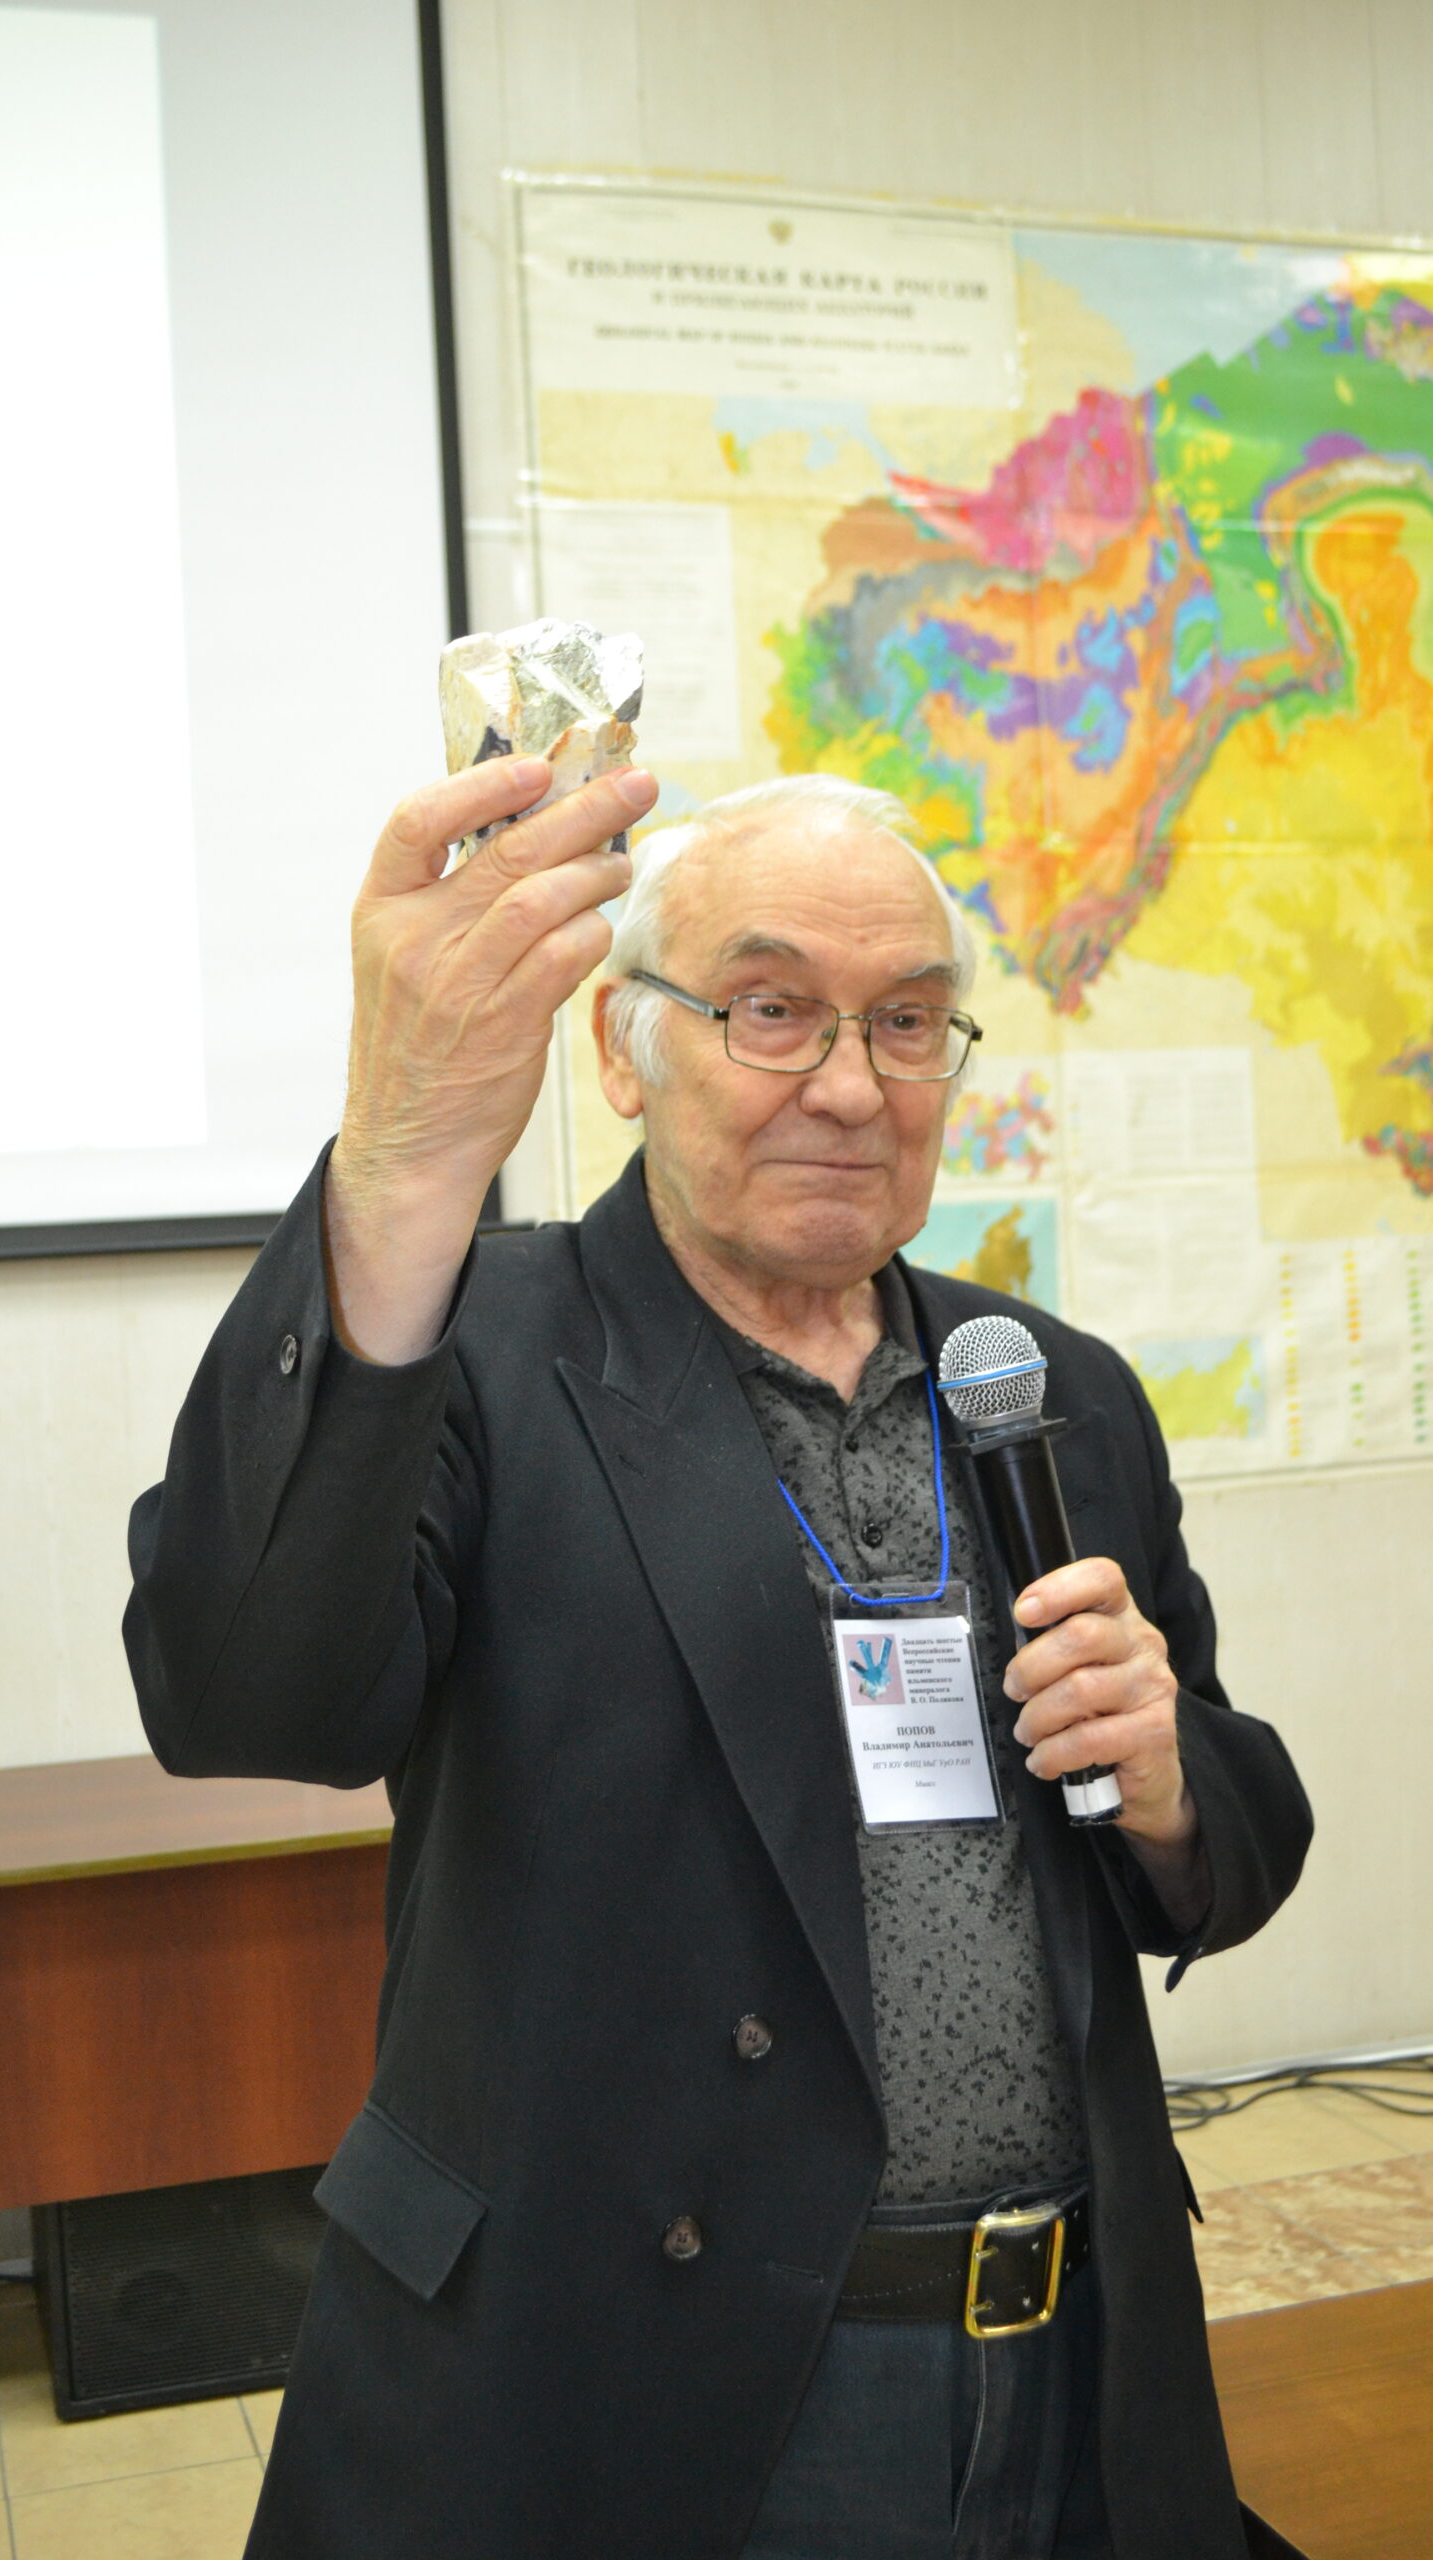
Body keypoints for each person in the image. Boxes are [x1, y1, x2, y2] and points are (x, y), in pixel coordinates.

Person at [124, 753, 1312, 2560]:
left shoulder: (1046, 1385)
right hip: (640, 2386)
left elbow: (1226, 1827)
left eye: (906, 1022)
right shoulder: (472, 1354)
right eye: (772, 1010)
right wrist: (400, 1163)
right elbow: (245, 1699)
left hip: (1067, 2357)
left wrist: (1166, 1790)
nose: (848, 1083)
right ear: (624, 1052)